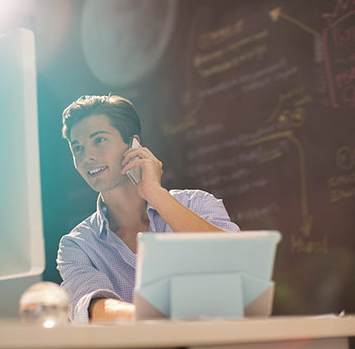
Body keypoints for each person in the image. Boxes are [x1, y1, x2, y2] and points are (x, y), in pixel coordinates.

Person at [56, 94, 240, 323]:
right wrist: (165, 322)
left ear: (132, 144)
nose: (87, 156)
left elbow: (236, 262)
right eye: (77, 148)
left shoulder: (197, 204)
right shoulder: (77, 246)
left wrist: (155, 194)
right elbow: (94, 310)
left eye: (99, 140)